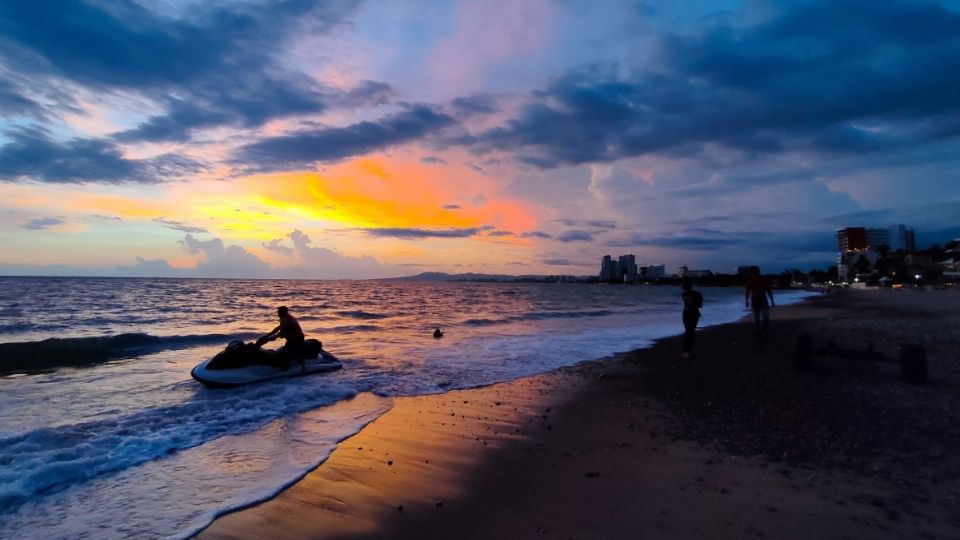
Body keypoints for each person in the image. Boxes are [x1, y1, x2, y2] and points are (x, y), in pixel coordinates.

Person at [258, 306, 306, 371]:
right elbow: (278, 328)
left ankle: (303, 369)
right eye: (278, 312)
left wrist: (269, 338)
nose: (278, 314)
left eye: (279, 312)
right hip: (291, 338)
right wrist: (268, 335)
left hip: (297, 338)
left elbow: (281, 333)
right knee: (287, 352)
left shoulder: (287, 319)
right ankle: (287, 366)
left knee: (295, 352)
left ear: (284, 312)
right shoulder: (284, 318)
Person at [745, 266, 774, 334]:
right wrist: (747, 301)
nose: (754, 273)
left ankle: (764, 329)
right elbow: (747, 292)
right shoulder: (750, 281)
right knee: (756, 318)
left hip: (763, 299)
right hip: (754, 300)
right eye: (752, 272)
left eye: (755, 271)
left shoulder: (763, 279)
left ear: (758, 271)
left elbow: (768, 290)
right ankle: (757, 330)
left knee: (766, 317)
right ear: (751, 272)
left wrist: (772, 301)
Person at [680, 278, 703, 358]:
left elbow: (698, 304)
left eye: (683, 286)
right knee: (690, 332)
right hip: (690, 314)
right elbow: (699, 305)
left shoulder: (686, 295)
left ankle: (686, 350)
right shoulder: (691, 294)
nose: (682, 287)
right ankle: (687, 350)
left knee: (690, 332)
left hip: (690, 314)